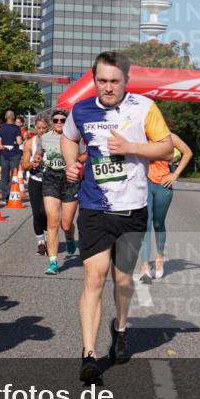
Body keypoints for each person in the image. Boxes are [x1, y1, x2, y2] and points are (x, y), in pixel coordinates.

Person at [62, 51, 173, 382]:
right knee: (94, 277)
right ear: (93, 79)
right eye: (102, 81)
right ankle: (88, 354)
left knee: (122, 279)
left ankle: (120, 328)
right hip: (95, 206)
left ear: (126, 80)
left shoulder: (144, 108)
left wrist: (132, 148)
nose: (107, 87)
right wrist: (71, 163)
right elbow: (69, 137)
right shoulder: (81, 109)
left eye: (114, 81)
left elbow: (166, 148)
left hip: (132, 208)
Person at [139, 132, 192, 283]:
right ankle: (144, 266)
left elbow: (188, 152)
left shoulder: (168, 136)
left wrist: (175, 175)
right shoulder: (139, 134)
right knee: (146, 223)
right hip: (144, 183)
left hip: (163, 184)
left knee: (158, 223)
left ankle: (159, 257)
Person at [40, 108, 84, 275]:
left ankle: (70, 236)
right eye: (56, 120)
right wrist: (37, 159)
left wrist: (76, 160)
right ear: (52, 122)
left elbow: (86, 154)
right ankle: (53, 262)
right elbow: (39, 154)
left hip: (70, 180)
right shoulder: (44, 138)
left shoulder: (75, 137)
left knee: (66, 224)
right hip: (50, 178)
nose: (59, 123)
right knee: (52, 221)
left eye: (62, 120)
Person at [21, 114, 50, 256]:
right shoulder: (29, 143)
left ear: (48, 128)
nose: (42, 131)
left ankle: (48, 238)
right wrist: (32, 164)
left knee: (47, 212)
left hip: (51, 181)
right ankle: (40, 242)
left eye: (44, 128)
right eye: (39, 128)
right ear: (35, 128)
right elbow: (24, 165)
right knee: (37, 213)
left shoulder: (54, 141)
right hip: (35, 180)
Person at [0, 110, 24, 202]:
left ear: (5, 117)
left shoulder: (1, 128)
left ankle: (4, 195)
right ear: (13, 117)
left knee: (4, 175)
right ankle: (11, 193)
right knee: (14, 174)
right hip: (14, 153)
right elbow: (19, 141)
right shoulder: (16, 128)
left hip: (4, 153)